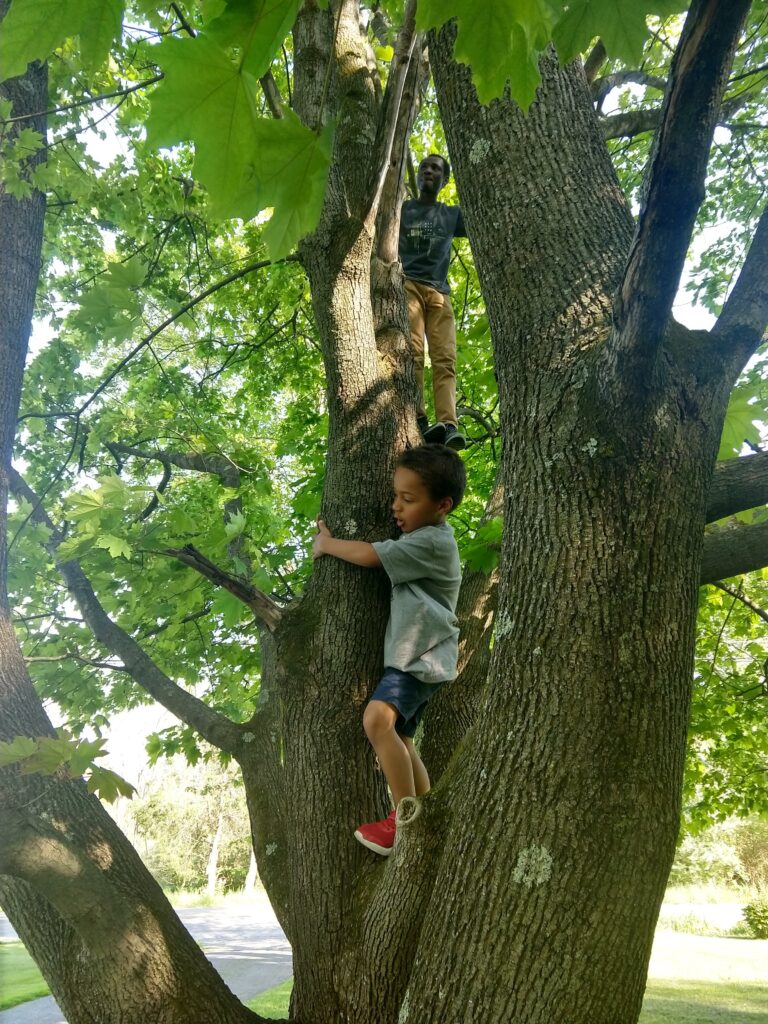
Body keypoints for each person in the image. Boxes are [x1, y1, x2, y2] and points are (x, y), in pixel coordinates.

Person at [312, 444, 466, 855]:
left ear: (442, 505)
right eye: (395, 495)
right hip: (426, 656)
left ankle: (403, 820)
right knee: (403, 739)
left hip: (418, 655)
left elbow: (371, 555)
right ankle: (425, 816)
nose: (396, 507)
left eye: (409, 499)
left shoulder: (431, 541)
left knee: (377, 721)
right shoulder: (430, 536)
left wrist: (327, 544)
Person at [399, 153, 467, 451]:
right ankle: (419, 419)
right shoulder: (402, 209)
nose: (428, 171)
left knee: (445, 359)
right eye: (425, 167)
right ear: (417, 175)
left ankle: (449, 424)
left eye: (436, 168)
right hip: (408, 285)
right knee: (413, 354)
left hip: (439, 292)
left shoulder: (451, 215)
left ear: (444, 179)